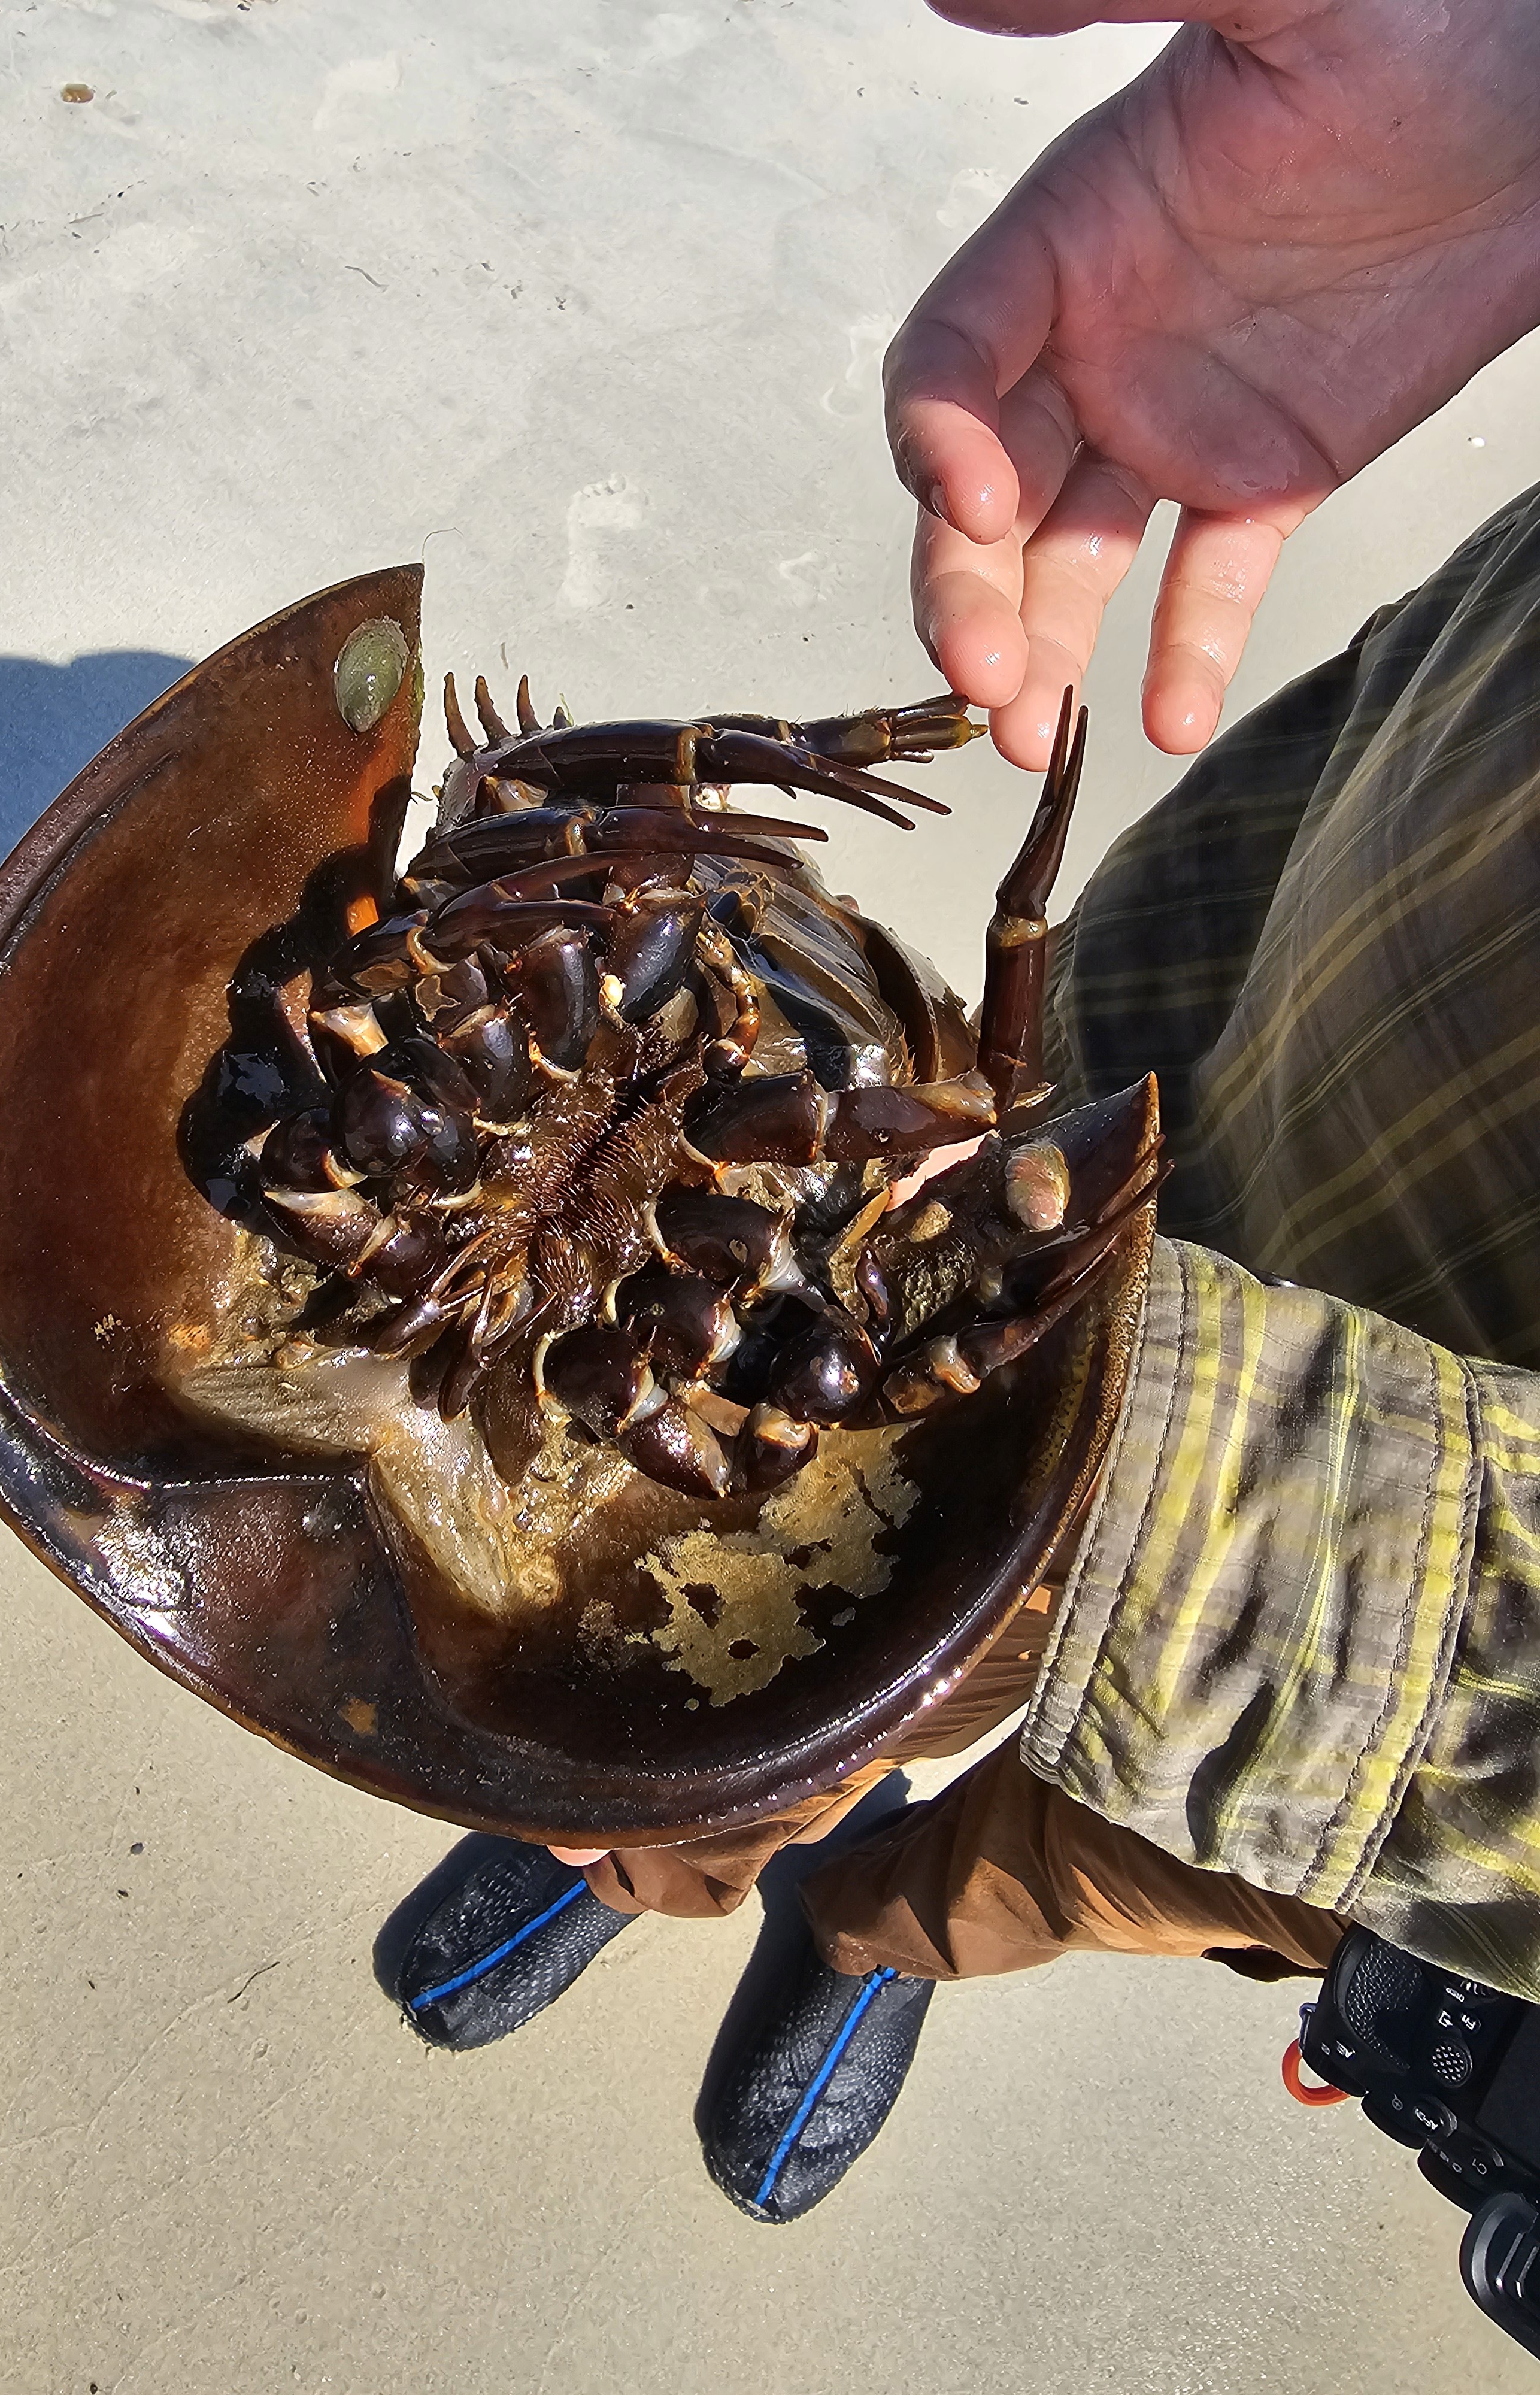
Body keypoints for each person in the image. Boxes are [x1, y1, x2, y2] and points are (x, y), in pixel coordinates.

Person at [389, 0, 1540, 2223]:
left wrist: (1124, 1500)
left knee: (1083, 1815)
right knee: (714, 1606)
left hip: (1385, 1667)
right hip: (1353, 914)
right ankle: (685, 1827)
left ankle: (865, 1916)